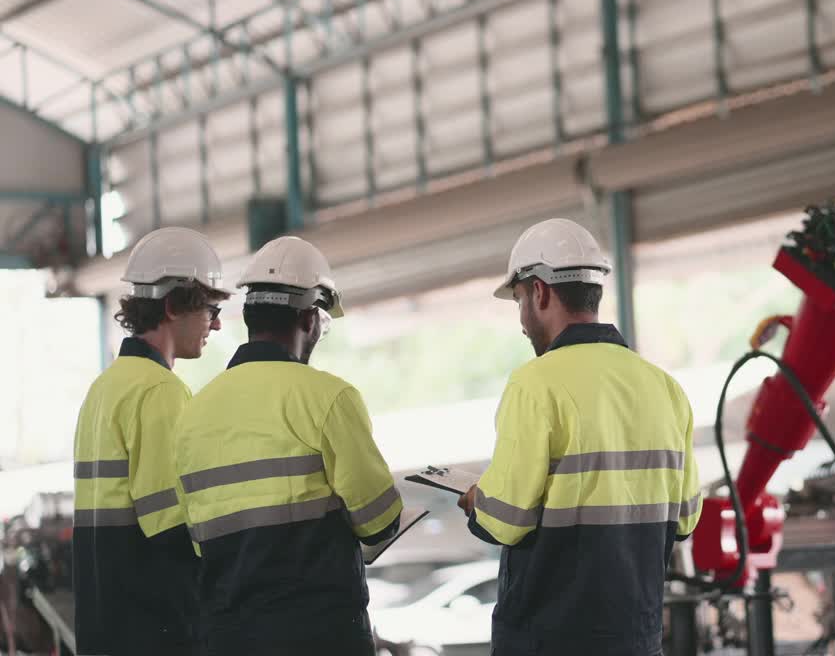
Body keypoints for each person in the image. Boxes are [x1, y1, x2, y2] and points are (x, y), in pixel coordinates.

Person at [457, 218, 703, 656]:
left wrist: (478, 499)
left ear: (539, 291)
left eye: (518, 300)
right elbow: (685, 518)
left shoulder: (536, 384)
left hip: (549, 640)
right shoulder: (665, 388)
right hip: (637, 640)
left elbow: (506, 519)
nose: (522, 321)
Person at [172, 236, 402, 656]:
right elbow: (379, 521)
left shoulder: (193, 415)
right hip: (321, 635)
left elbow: (199, 539)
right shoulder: (328, 398)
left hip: (228, 638)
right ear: (311, 319)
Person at [72, 226, 230, 656]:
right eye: (210, 308)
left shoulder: (105, 388)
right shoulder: (159, 391)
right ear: (174, 305)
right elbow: (174, 529)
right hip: (154, 630)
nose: (215, 323)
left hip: (105, 626)